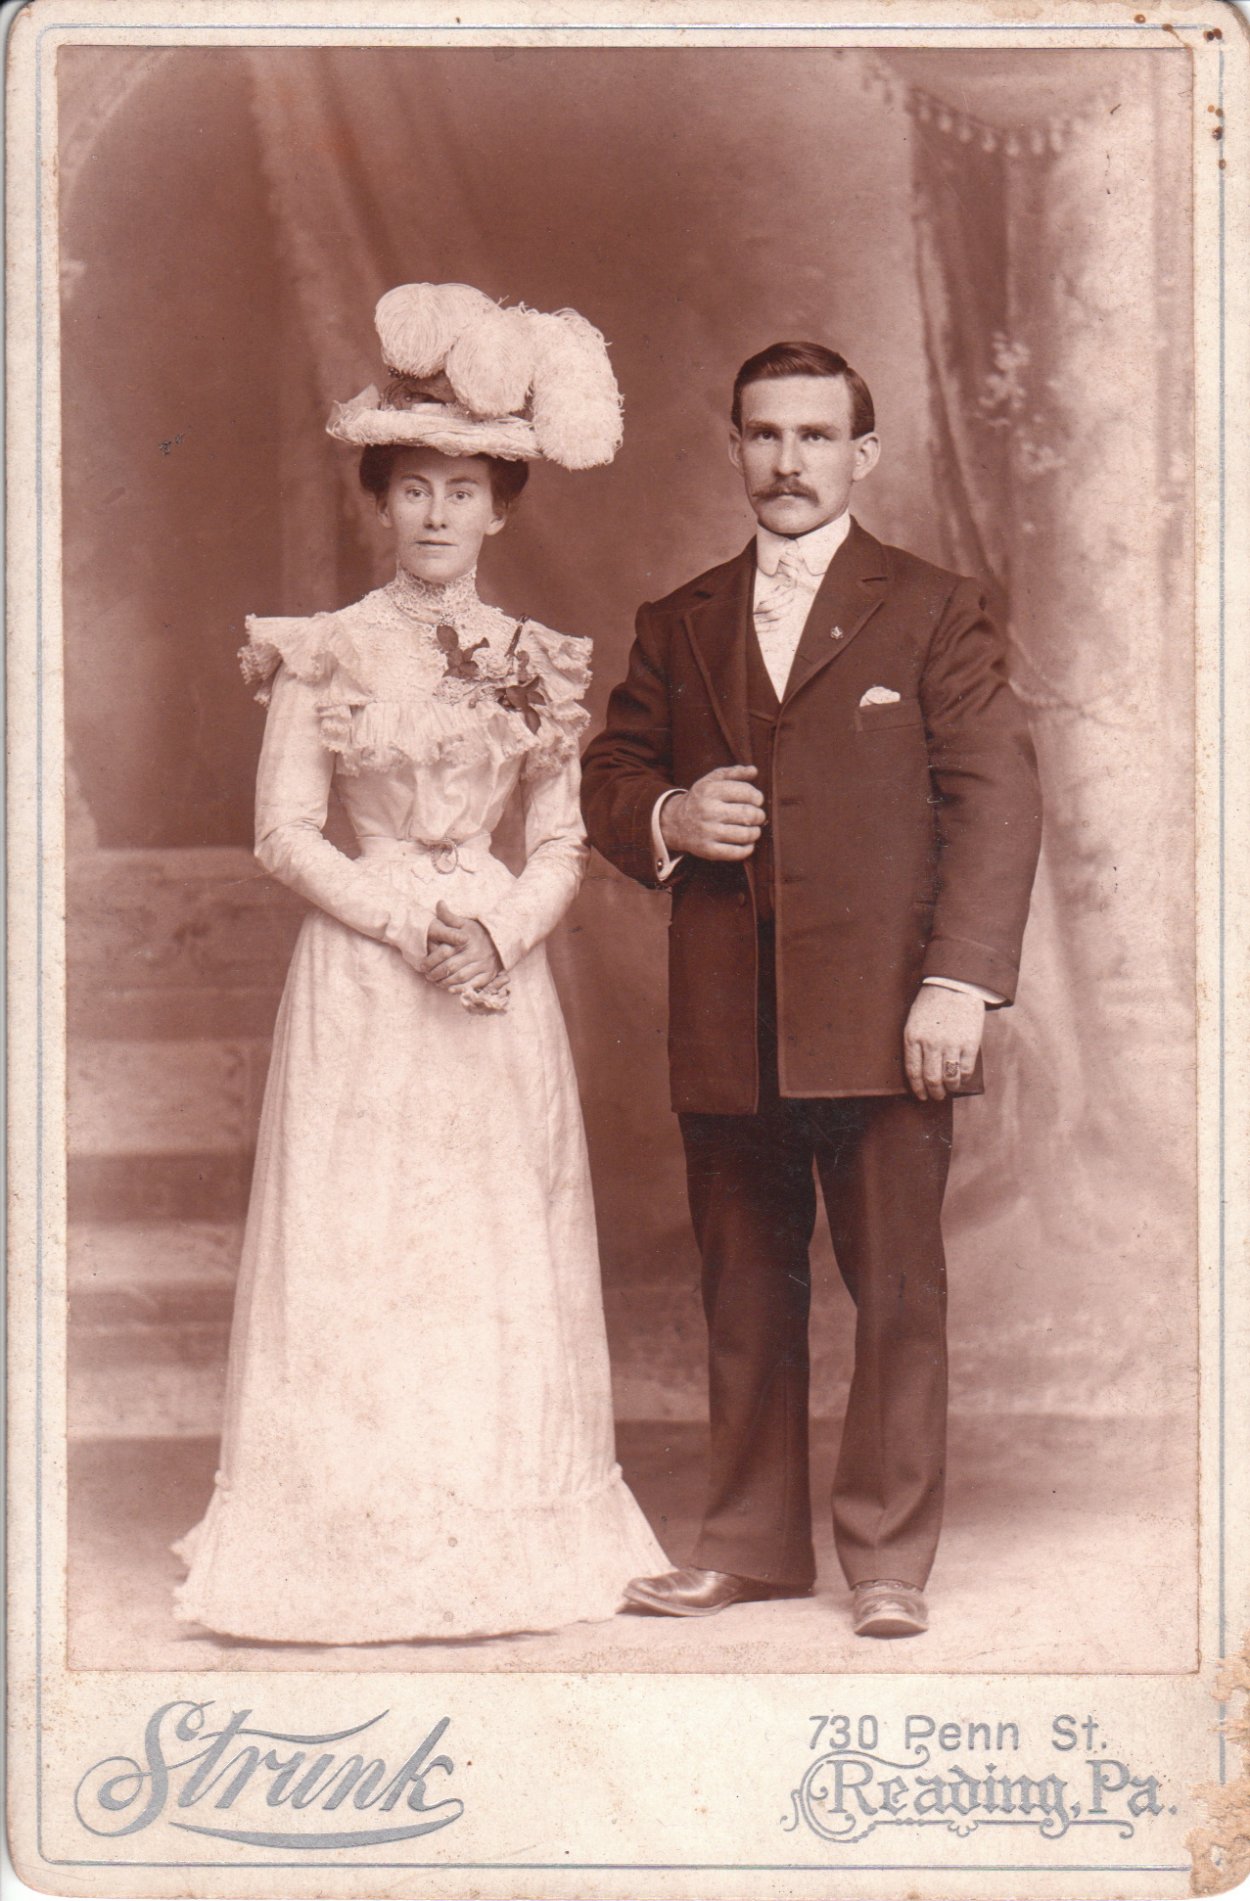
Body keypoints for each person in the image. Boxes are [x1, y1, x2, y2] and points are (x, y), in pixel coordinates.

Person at [175, 282, 665, 1643]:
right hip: (365, 971)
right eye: (414, 490)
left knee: (489, 1238)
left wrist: (496, 930)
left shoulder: (535, 660)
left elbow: (560, 839)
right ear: (380, 503)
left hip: (495, 978)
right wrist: (404, 920)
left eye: (464, 491)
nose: (438, 514)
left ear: (501, 508)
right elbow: (282, 832)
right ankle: (352, 1540)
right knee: (366, 1240)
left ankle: (501, 1526)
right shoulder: (323, 651)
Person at [581, 341, 1042, 1638]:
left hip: (891, 1016)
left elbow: (997, 801)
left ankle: (887, 1558)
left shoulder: (937, 608)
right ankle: (747, 1544)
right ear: (734, 447)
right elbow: (609, 775)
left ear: (863, 454)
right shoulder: (678, 619)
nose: (788, 462)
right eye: (765, 434)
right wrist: (670, 814)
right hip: (730, 1018)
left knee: (895, 1291)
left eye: (816, 436)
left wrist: (958, 983)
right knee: (742, 1288)